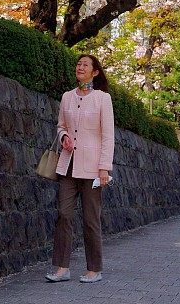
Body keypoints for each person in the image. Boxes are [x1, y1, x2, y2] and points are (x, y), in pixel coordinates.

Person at [45, 54, 114, 284]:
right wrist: (64, 136)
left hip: (93, 168)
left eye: (85, 65)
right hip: (67, 165)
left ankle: (94, 269)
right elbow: (60, 126)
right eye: (78, 64)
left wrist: (104, 168)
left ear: (95, 72)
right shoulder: (66, 97)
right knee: (64, 215)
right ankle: (62, 268)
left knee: (90, 219)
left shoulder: (102, 99)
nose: (80, 67)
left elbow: (108, 137)